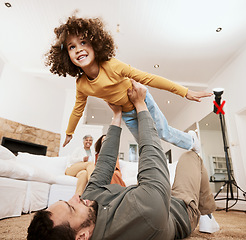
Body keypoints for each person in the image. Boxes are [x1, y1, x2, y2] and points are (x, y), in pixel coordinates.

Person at [27, 80, 219, 240]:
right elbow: (153, 157)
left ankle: (207, 213)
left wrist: (117, 115)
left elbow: (103, 166)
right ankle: (205, 213)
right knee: (191, 155)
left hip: (157, 199)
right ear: (82, 236)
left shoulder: (87, 208)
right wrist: (140, 105)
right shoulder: (143, 215)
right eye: (71, 206)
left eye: (66, 200)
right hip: (180, 208)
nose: (76, 197)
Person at [45, 15, 212, 153]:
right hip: (127, 114)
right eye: (71, 47)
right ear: (66, 56)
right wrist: (69, 132)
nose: (78, 49)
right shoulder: (81, 84)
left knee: (162, 132)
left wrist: (185, 92)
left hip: (143, 102)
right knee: (145, 145)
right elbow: (77, 108)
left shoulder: (112, 66)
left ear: (95, 45)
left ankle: (191, 140)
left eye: (83, 42)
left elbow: (148, 78)